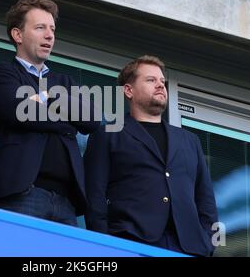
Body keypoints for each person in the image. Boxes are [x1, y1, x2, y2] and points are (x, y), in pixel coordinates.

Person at [84, 55, 218, 256]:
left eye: (162, 81)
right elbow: (94, 196)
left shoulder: (190, 141)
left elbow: (206, 201)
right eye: (150, 80)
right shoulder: (108, 135)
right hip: (130, 241)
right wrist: (105, 245)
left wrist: (207, 243)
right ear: (129, 90)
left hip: (188, 247)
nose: (160, 85)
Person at [0, 0, 99, 225]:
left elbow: (92, 120)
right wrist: (66, 118)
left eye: (52, 30)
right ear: (18, 35)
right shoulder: (2, 73)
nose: (49, 35)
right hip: (21, 194)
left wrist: (48, 96)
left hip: (66, 201)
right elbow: (20, 111)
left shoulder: (64, 81)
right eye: (40, 28)